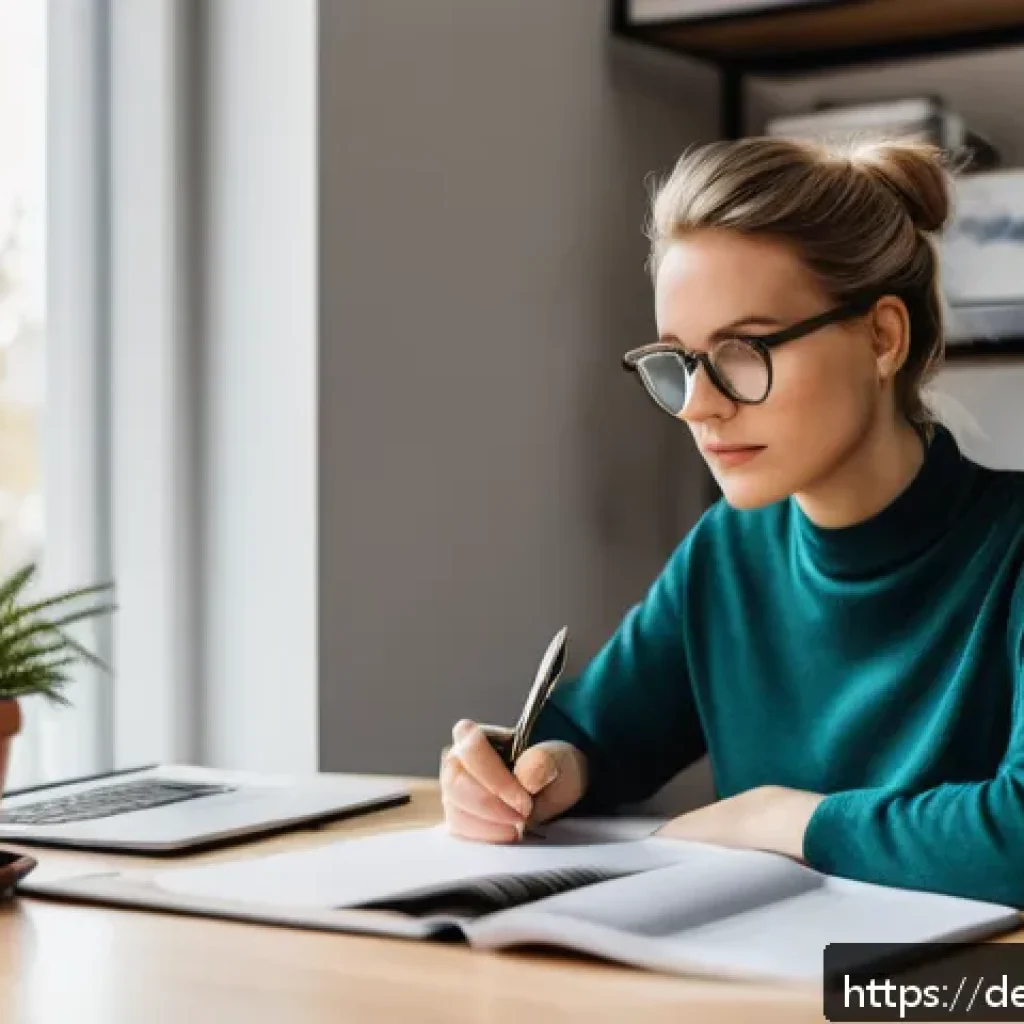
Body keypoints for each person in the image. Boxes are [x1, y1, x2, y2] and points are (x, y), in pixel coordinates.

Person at [438, 136, 1024, 908]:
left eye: (744, 350)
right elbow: (599, 732)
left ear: (883, 337)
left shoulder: (1011, 551)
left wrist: (781, 818)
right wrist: (531, 774)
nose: (701, 404)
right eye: (677, 361)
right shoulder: (728, 553)